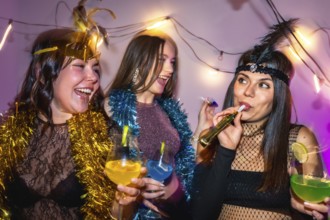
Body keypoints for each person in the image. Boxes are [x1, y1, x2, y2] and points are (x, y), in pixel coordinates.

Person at [0, 28, 145, 219]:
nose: (93, 77)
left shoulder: (107, 136)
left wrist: (122, 201)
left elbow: (118, 216)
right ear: (43, 73)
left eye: (95, 68)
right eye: (80, 66)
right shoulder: (10, 132)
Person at [191, 44, 330, 219]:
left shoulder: (297, 139)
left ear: (279, 95)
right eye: (242, 80)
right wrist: (226, 150)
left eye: (263, 85)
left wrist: (306, 209)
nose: (248, 92)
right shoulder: (210, 139)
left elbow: (316, 209)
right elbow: (200, 214)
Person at [104, 29, 195, 219]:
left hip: (177, 211)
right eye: (161, 60)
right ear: (139, 60)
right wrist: (134, 192)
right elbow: (106, 170)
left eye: (172, 62)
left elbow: (181, 161)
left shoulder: (167, 111)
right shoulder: (111, 107)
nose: (170, 70)